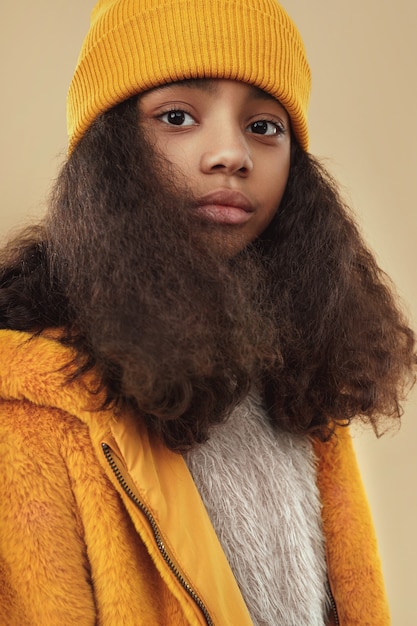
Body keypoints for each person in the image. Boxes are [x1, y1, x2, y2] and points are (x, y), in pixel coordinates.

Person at [0, 0, 415, 624]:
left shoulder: (298, 374)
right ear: (107, 154)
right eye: (177, 115)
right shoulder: (31, 412)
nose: (231, 154)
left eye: (265, 126)